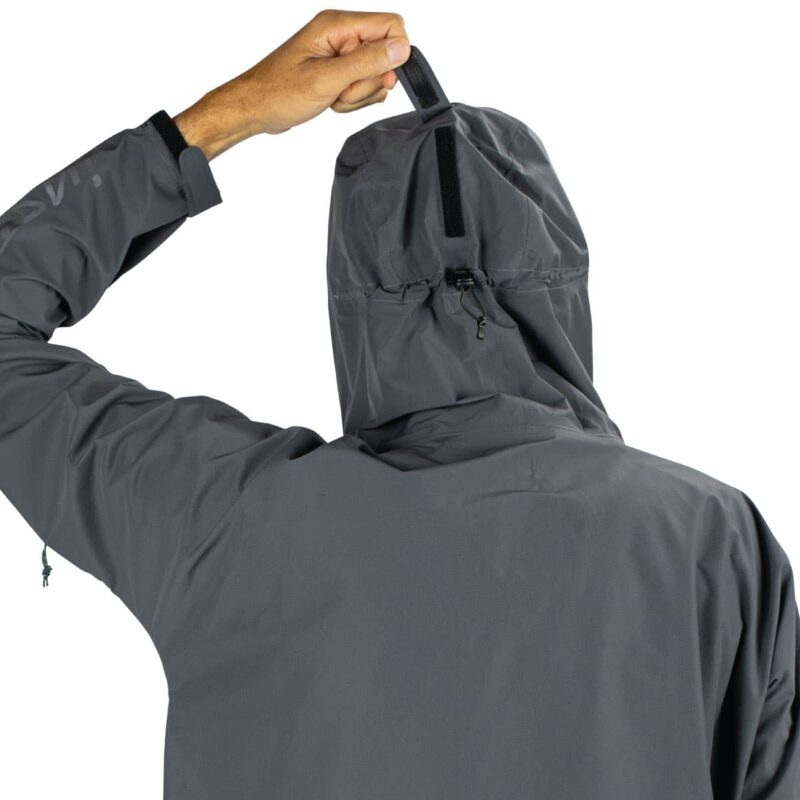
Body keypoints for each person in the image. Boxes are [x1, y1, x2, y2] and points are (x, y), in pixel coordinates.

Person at [1, 9, 798, 800]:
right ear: (563, 282)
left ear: (353, 296)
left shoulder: (223, 518)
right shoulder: (716, 542)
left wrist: (226, 118)